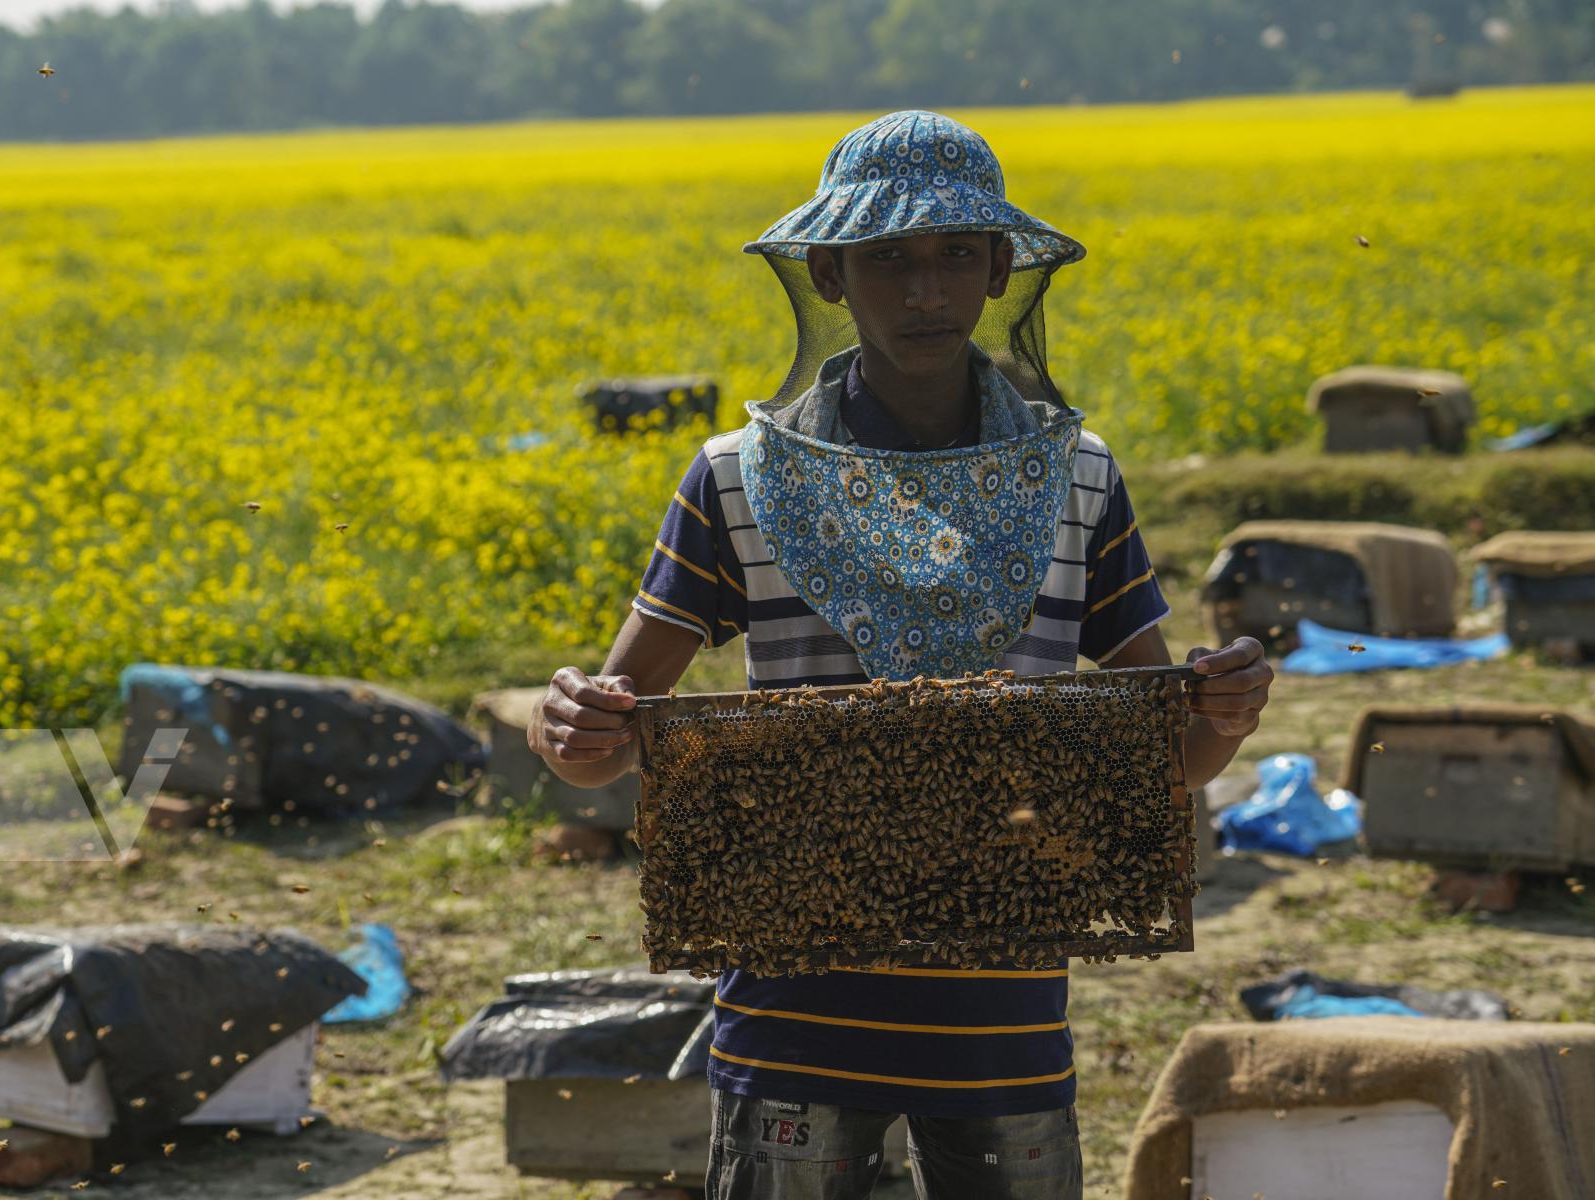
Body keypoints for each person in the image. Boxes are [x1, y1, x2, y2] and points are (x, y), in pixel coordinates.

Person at [528, 110, 1273, 1199]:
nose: (926, 290)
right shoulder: (733, 478)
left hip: (1006, 1000)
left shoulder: (1080, 477)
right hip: (792, 1002)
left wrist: (1223, 708)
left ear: (1001, 266)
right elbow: (598, 749)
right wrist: (571, 723)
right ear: (828, 273)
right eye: (888, 259)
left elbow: (1162, 765)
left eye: (955, 254)